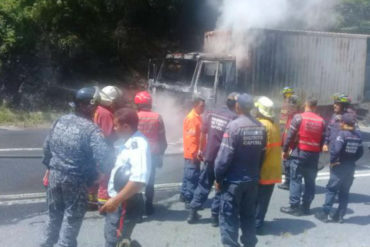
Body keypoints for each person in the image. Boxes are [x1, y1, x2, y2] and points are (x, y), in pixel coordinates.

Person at [41, 87, 114, 247]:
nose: (96, 109)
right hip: (75, 180)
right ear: (90, 106)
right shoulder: (91, 130)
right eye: (95, 106)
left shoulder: (60, 120)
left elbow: (46, 149)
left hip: (54, 176)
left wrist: (49, 168)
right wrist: (102, 173)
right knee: (71, 218)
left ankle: (46, 244)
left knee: (54, 215)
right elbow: (105, 159)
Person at [215, 93, 266, 247]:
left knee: (229, 217)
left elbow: (224, 158)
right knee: (248, 216)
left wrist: (218, 178)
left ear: (238, 106)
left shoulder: (234, 126)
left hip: (233, 182)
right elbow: (262, 154)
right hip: (252, 181)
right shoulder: (261, 127)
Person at [100, 108, 151, 247]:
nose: (114, 128)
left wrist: (115, 201)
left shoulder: (138, 145)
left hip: (126, 202)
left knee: (115, 240)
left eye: (116, 125)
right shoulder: (128, 142)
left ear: (126, 126)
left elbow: (138, 180)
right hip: (122, 200)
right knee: (115, 237)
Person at [187, 92, 238, 226]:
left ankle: (193, 211)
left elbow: (203, 132)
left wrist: (200, 149)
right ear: (236, 105)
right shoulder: (233, 118)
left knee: (203, 183)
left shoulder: (211, 113)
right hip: (223, 158)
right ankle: (215, 217)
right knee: (220, 186)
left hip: (209, 155)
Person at [280, 97, 326, 216]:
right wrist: (317, 150)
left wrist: (285, 150)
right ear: (315, 107)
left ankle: (294, 207)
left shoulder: (299, 117)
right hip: (314, 155)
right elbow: (323, 139)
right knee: (310, 182)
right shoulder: (321, 121)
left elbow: (290, 136)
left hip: (299, 154)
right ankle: (306, 207)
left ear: (306, 104)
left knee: (296, 180)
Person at [315, 113, 363, 223]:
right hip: (350, 167)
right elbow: (360, 152)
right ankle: (340, 215)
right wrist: (352, 160)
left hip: (340, 166)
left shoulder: (342, 134)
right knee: (344, 192)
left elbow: (336, 150)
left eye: (341, 122)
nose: (340, 124)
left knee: (331, 189)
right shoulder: (357, 136)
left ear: (344, 123)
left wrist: (333, 162)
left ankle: (325, 213)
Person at [89, 85, 122, 208]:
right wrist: (120, 134)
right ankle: (103, 204)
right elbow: (108, 134)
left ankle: (90, 201)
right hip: (104, 150)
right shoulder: (106, 113)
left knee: (94, 175)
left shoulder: (96, 109)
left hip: (93, 148)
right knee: (105, 175)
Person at [134, 91, 167, 215]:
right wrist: (161, 153)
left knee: (135, 180)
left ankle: (135, 208)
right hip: (152, 153)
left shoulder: (134, 116)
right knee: (150, 181)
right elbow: (162, 138)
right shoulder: (157, 117)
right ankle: (149, 206)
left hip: (136, 153)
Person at [254, 96, 282, 233]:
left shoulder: (261, 125)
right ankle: (258, 222)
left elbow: (260, 151)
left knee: (256, 198)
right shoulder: (274, 124)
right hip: (273, 169)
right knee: (264, 199)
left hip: (263, 169)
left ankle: (256, 225)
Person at [180, 97, 206, 208]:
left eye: (204, 106)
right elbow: (191, 138)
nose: (203, 108)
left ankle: (183, 194)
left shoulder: (197, 117)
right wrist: (195, 153)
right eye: (202, 106)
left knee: (188, 174)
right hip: (193, 153)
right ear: (195, 105)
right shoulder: (192, 118)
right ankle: (189, 200)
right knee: (192, 176)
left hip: (192, 152)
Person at [278, 94, 300, 190]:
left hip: (292, 145)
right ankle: (288, 181)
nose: (289, 108)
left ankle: (289, 182)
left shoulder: (297, 117)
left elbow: (294, 134)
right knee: (286, 163)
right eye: (289, 105)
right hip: (288, 143)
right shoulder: (291, 116)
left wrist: (288, 147)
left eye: (292, 106)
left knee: (288, 163)